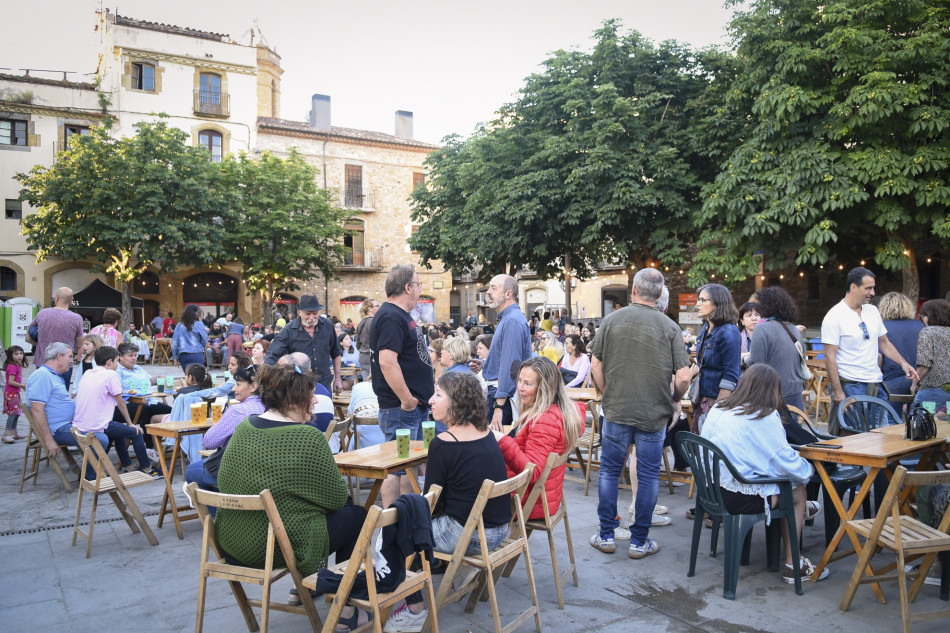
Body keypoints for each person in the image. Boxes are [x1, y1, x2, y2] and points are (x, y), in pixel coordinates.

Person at [214, 364, 368, 626]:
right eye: (310, 394)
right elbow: (336, 499)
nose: (316, 399)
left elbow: (224, 480)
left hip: (232, 543)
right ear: (294, 399)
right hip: (276, 547)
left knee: (313, 510)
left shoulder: (244, 428)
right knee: (356, 515)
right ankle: (346, 609)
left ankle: (312, 585)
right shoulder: (307, 437)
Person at [385, 371, 510, 633]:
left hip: (469, 535)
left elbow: (432, 504)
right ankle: (442, 572)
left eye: (438, 395)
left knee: (393, 531)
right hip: (499, 530)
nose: (430, 400)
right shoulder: (485, 433)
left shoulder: (445, 442)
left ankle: (414, 610)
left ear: (456, 402)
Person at [589, 268, 691, 560]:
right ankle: (639, 541)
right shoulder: (669, 327)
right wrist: (675, 398)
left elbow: (596, 365)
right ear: (659, 295)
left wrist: (608, 393)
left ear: (633, 290)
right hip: (653, 414)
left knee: (609, 471)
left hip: (617, 410)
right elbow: (683, 376)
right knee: (647, 475)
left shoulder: (611, 321)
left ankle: (607, 535)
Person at [700, 364, 828, 584]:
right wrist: (811, 469)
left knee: (787, 486)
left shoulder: (719, 409)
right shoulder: (764, 416)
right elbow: (784, 461)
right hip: (738, 498)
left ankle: (802, 510)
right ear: (773, 391)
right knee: (798, 491)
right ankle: (793, 565)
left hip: (711, 491)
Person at [821, 267, 918, 434]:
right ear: (853, 287)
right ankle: (853, 462)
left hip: (876, 382)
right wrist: (837, 391)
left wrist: (903, 363)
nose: (872, 293)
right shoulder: (834, 316)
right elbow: (830, 357)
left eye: (873, 288)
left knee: (881, 432)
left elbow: (884, 342)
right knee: (854, 435)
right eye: (868, 288)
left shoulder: (872, 311)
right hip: (850, 383)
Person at [370, 264, 434, 509]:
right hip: (401, 409)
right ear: (408, 287)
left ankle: (409, 518)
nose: (419, 290)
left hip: (412, 407)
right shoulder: (389, 316)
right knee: (396, 468)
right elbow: (387, 362)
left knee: (410, 466)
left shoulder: (398, 315)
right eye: (418, 285)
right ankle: (391, 525)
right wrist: (407, 399)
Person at [493, 357, 583, 520]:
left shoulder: (544, 420)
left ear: (544, 388)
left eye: (528, 384)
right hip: (541, 497)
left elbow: (532, 472)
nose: (520, 388)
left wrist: (502, 440)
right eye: (519, 381)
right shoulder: (553, 411)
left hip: (528, 501)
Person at [73, 346, 161, 478]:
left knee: (119, 431)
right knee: (135, 433)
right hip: (97, 424)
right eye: (116, 361)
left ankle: (128, 466)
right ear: (109, 362)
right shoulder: (110, 374)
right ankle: (147, 468)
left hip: (81, 422)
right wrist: (131, 423)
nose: (117, 364)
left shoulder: (88, 373)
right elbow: (120, 402)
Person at [25, 342, 103, 478]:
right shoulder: (42, 376)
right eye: (70, 357)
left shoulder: (53, 375)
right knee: (100, 438)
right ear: (59, 356)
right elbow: (37, 411)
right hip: (58, 429)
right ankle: (90, 478)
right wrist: (49, 440)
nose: (72, 361)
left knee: (107, 426)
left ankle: (95, 471)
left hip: (69, 424)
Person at [184, 364, 263, 492]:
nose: (233, 388)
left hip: (238, 468)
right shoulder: (274, 407)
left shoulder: (239, 411)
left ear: (253, 387)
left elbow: (209, 442)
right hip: (265, 469)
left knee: (191, 472)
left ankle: (218, 509)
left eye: (238, 384)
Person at [747, 286, 809, 419]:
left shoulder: (762, 329)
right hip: (796, 393)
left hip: (773, 395)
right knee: (793, 437)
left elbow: (756, 365)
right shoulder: (793, 329)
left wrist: (743, 359)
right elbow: (802, 358)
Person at [482, 274, 533, 431]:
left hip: (502, 397)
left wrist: (499, 406)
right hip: (502, 395)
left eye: (494, 288)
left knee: (497, 450)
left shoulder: (511, 320)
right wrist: (486, 363)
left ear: (508, 294)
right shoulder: (510, 318)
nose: (489, 292)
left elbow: (510, 366)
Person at [265, 294, 342, 394]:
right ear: (299, 312)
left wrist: (338, 378)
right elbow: (272, 356)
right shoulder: (289, 330)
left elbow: (336, 353)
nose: (312, 317)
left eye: (315, 313)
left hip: (324, 383)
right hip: (299, 385)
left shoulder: (327, 325)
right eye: (307, 314)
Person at [691, 284, 741, 434]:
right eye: (698, 300)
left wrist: (718, 410)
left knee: (710, 450)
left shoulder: (728, 332)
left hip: (717, 402)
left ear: (717, 303)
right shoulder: (706, 329)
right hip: (702, 399)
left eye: (702, 300)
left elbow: (731, 376)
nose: (697, 304)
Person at [114, 342, 172, 451]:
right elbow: (117, 391)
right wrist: (134, 393)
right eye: (130, 355)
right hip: (126, 404)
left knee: (171, 411)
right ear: (120, 357)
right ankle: (150, 446)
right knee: (146, 410)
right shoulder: (118, 371)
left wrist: (160, 377)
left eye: (135, 355)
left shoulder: (137, 368)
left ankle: (167, 441)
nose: (134, 358)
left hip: (147, 400)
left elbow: (150, 380)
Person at [28, 287, 84, 389]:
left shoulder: (42, 313)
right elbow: (79, 344)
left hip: (43, 362)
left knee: (42, 394)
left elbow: (27, 337)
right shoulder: (76, 318)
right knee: (60, 397)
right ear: (71, 301)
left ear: (56, 298)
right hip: (64, 364)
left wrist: (41, 344)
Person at [878, 292, 924, 410]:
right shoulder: (920, 326)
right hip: (918, 378)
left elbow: (879, 357)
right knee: (916, 419)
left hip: (892, 379)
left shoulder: (882, 327)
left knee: (889, 419)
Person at [911, 299, 950, 411]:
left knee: (924, 424)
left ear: (927, 317)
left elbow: (924, 364)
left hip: (933, 390)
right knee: (947, 426)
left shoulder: (928, 332)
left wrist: (914, 383)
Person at [171, 304, 208, 370]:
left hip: (183, 354)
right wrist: (201, 347)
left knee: (188, 376)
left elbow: (174, 342)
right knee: (197, 376)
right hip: (197, 353)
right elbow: (205, 340)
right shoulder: (199, 324)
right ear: (196, 313)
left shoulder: (179, 325)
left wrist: (175, 356)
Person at [2, 345, 26, 443]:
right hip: (11, 393)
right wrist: (22, 385)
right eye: (16, 354)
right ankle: (7, 433)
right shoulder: (12, 367)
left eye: (21, 353)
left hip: (15, 392)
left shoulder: (17, 365)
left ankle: (14, 431)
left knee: (16, 413)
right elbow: (11, 382)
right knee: (13, 413)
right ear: (11, 356)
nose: (19, 356)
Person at [356, 298, 380, 381]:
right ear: (370, 309)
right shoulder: (373, 322)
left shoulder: (361, 322)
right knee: (373, 387)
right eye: (377, 306)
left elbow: (358, 344)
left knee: (366, 385)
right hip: (371, 358)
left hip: (363, 357)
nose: (379, 307)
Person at [737, 302, 759, 368]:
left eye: (757, 314)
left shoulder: (768, 337)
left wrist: (743, 356)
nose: (754, 318)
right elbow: (732, 359)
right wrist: (744, 359)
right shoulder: (736, 337)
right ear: (742, 321)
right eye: (749, 315)